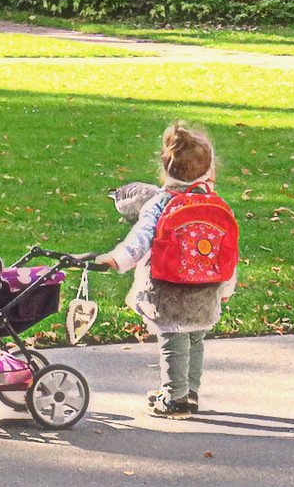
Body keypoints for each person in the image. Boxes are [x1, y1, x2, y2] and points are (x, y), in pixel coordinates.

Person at [95, 122, 238, 418]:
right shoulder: (215, 204)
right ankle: (190, 392)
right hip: (207, 289)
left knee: (173, 339)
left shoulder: (160, 203)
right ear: (209, 172)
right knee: (196, 338)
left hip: (168, 288)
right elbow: (227, 252)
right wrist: (226, 287)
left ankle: (174, 399)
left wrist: (115, 258)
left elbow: (140, 238)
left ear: (166, 171)